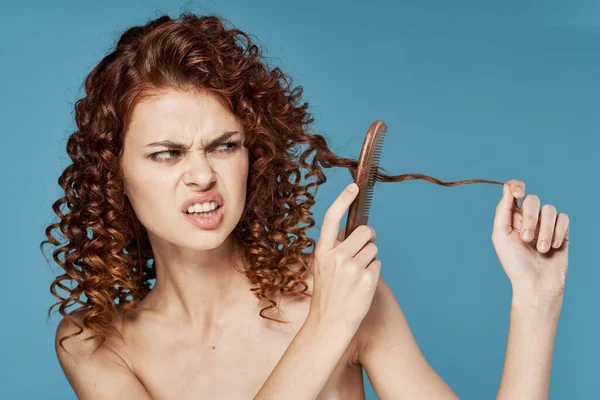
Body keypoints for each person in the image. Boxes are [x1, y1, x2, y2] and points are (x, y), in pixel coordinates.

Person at [41, 12, 570, 399]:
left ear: (254, 154)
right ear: (116, 177)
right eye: (166, 154)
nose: (203, 174)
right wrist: (324, 329)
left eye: (225, 145)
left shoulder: (344, 291)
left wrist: (537, 301)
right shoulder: (95, 346)